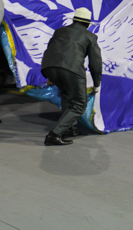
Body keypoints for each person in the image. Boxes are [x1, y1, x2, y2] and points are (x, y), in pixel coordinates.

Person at [41, 8, 103, 146]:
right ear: (88, 24)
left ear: (74, 20)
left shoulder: (60, 31)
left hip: (49, 66)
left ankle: (67, 129)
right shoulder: (90, 37)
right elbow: (96, 63)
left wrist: (50, 74)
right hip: (71, 69)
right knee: (79, 104)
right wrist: (97, 83)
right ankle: (54, 135)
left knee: (67, 94)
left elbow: (51, 49)